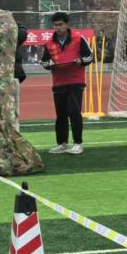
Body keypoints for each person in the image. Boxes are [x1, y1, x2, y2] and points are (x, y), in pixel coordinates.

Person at [41, 11, 93, 154]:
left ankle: (77, 143)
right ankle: (62, 143)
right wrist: (49, 64)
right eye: (55, 25)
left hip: (76, 81)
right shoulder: (49, 43)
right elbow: (44, 61)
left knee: (74, 112)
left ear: (67, 24)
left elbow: (89, 56)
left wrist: (80, 61)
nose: (58, 27)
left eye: (60, 24)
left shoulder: (78, 38)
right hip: (58, 83)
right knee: (61, 115)